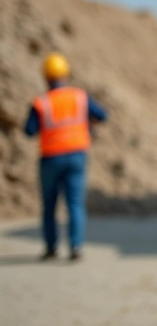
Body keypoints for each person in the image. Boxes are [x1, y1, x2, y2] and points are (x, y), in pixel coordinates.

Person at [24, 51, 107, 261]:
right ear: (66, 73)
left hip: (51, 159)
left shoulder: (41, 102)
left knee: (49, 205)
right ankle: (76, 247)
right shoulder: (80, 97)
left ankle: (51, 248)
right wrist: (87, 126)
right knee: (75, 204)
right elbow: (103, 115)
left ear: (46, 76)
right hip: (77, 156)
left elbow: (29, 130)